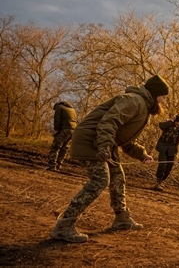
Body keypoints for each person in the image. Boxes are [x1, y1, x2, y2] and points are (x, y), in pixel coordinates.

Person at [50, 74, 170, 243]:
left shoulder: (142, 106)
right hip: (91, 140)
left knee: (117, 176)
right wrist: (104, 147)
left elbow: (125, 140)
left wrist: (142, 155)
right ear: (156, 94)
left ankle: (121, 219)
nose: (164, 101)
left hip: (103, 141)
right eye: (164, 96)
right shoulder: (134, 101)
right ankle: (63, 226)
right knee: (100, 180)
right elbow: (109, 122)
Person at [153, 114, 179, 191]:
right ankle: (158, 182)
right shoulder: (168, 124)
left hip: (172, 150)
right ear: (174, 121)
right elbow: (161, 125)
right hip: (163, 147)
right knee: (162, 164)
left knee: (169, 167)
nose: (177, 123)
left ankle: (162, 180)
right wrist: (171, 121)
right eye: (176, 121)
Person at [47, 101, 78, 171]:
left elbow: (57, 119)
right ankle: (58, 165)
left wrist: (56, 130)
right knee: (64, 148)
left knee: (55, 147)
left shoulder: (59, 107)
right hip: (73, 130)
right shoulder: (72, 109)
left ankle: (52, 166)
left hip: (64, 129)